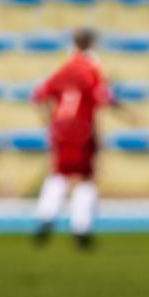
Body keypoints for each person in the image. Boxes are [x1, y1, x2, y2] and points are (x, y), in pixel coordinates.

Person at [31, 27, 127, 249]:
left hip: (61, 129)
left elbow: (39, 95)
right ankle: (81, 228)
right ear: (91, 43)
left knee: (59, 173)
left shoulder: (64, 66)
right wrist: (128, 114)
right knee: (85, 178)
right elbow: (103, 97)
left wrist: (49, 122)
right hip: (82, 129)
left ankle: (46, 217)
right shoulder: (91, 68)